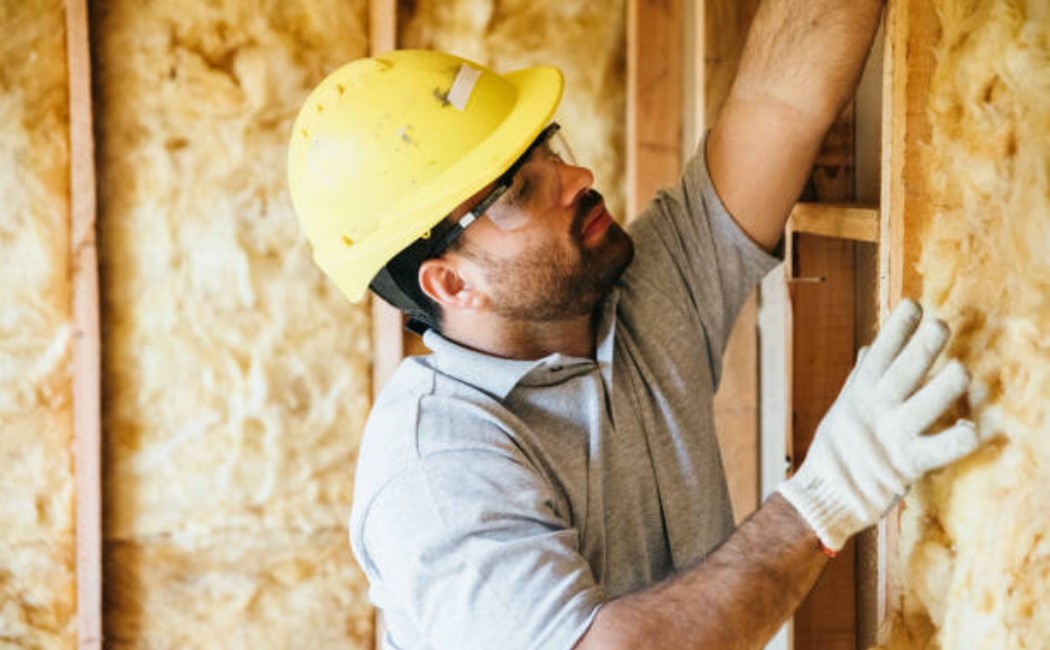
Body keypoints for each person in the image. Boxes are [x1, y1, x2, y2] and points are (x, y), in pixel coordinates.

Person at [287, 1, 986, 647]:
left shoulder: (634, 301)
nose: (577, 176)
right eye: (522, 190)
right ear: (450, 282)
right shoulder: (436, 466)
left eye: (548, 150)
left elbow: (778, 102)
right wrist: (828, 498)